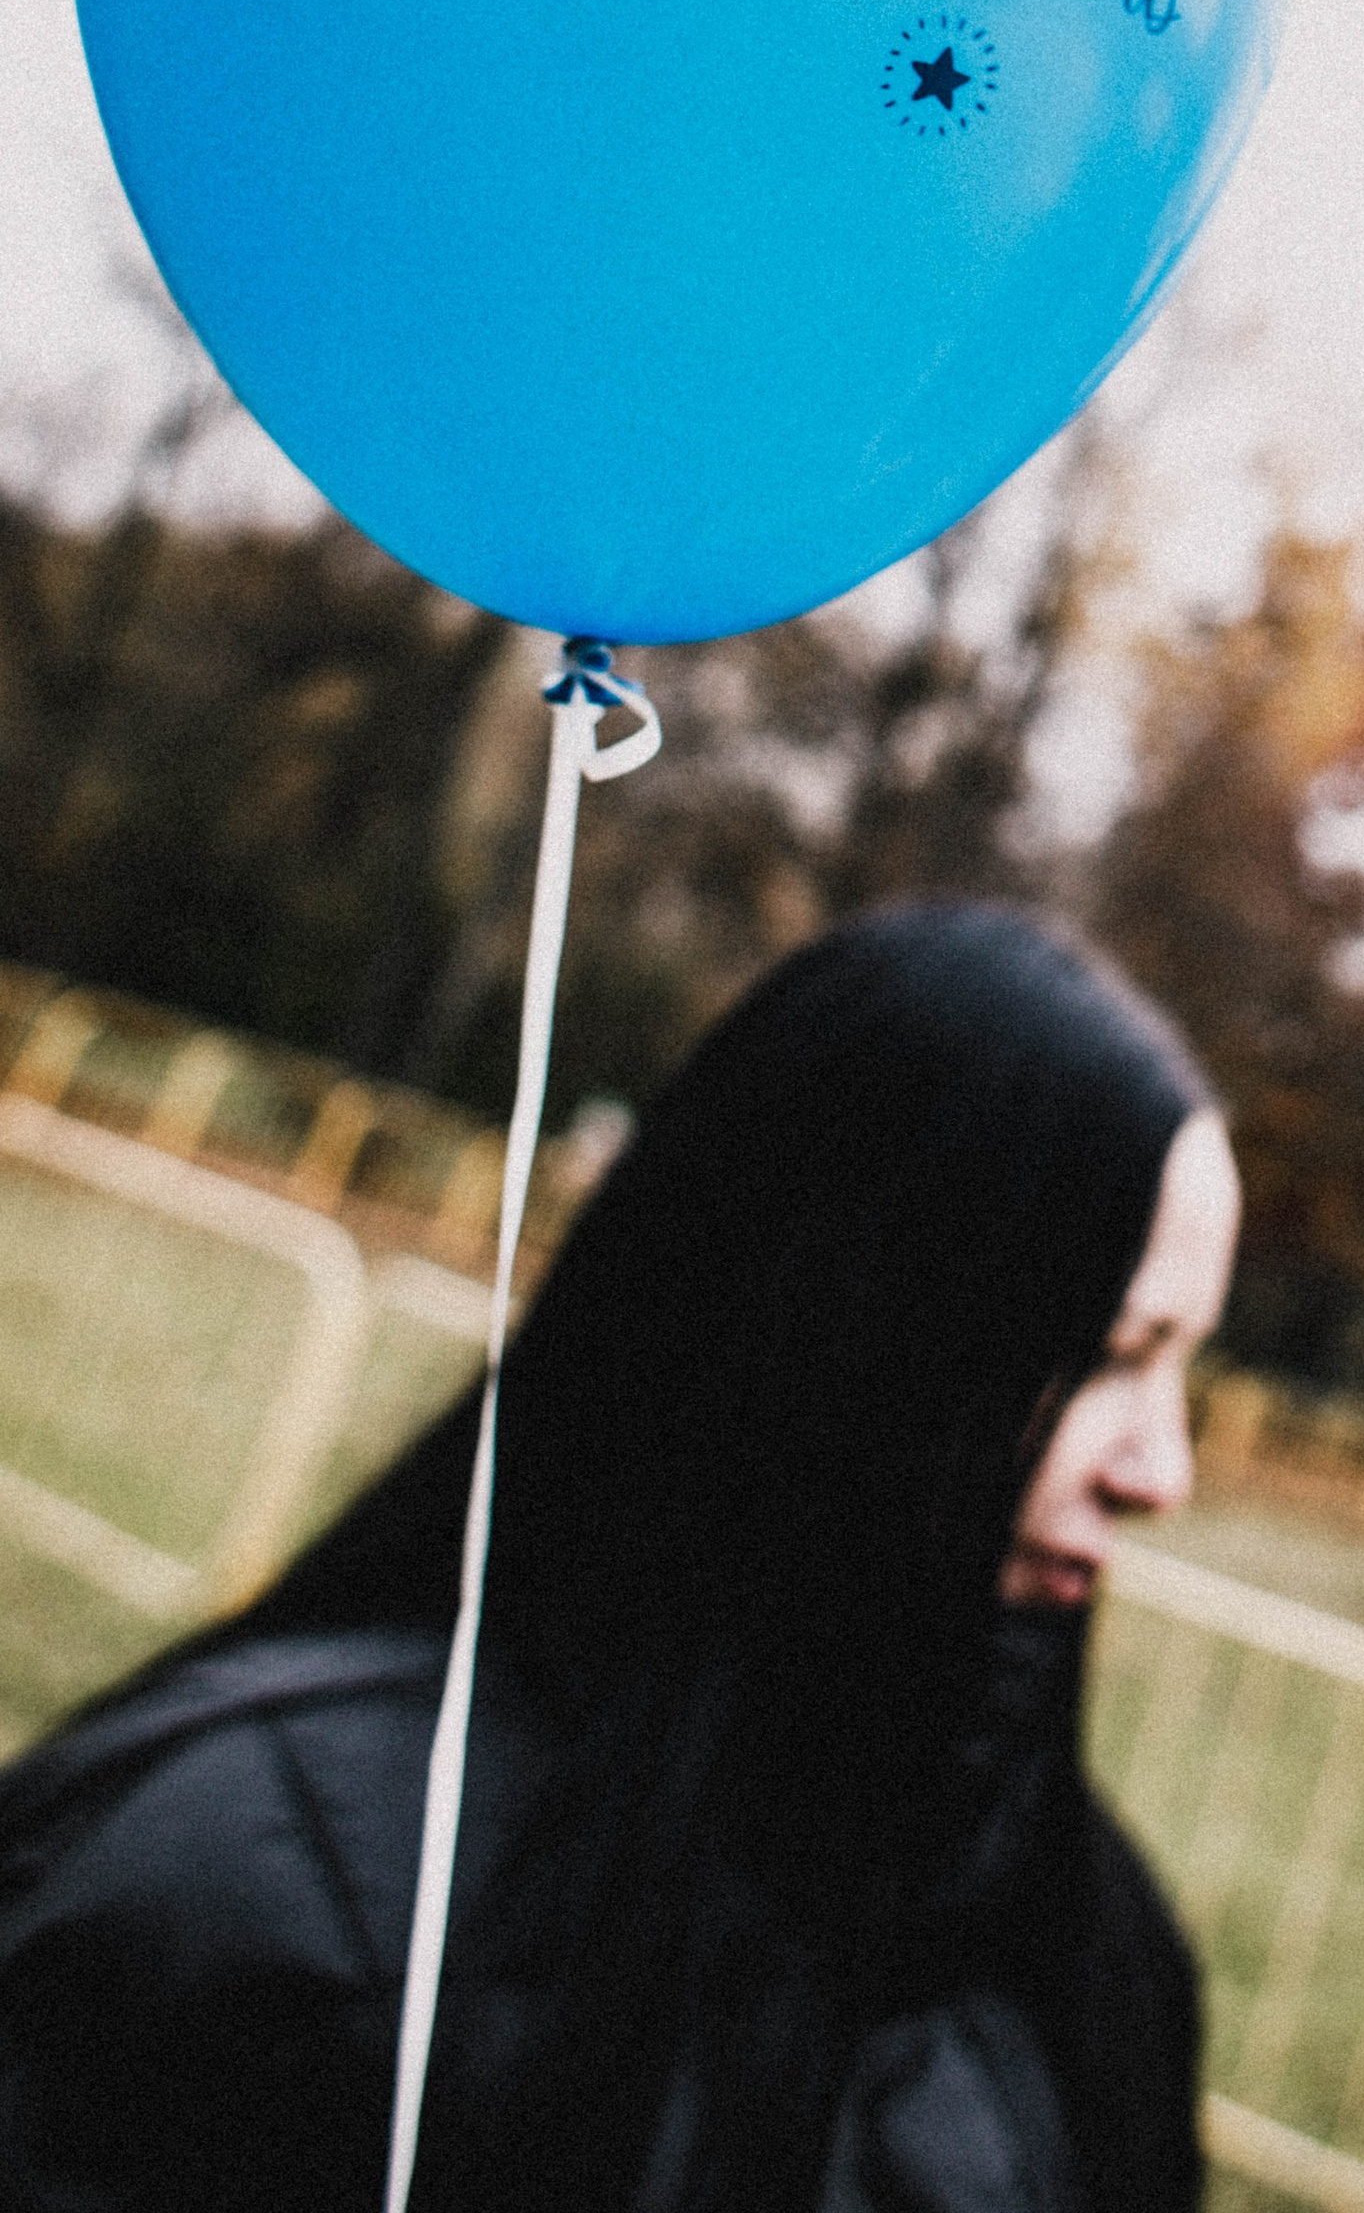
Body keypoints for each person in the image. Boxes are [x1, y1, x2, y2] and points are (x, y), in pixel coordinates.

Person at [0, 902, 1239, 2213]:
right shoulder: (262, 1893)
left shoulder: (1089, 1954)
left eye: (1186, 1370)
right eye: (1108, 1354)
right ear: (854, 1327)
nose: (1160, 1475)